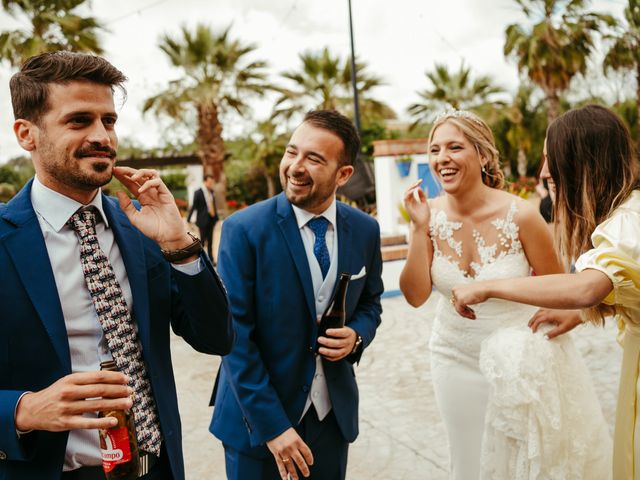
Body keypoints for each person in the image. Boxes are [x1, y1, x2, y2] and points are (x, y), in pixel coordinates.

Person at [0, 51, 233, 480]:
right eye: (78, 121)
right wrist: (22, 409)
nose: (102, 136)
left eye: (108, 121)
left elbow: (216, 338)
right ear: (26, 133)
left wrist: (179, 244)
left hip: (155, 467)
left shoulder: (140, 230)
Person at [400, 109, 611, 479]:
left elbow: (559, 285)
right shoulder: (426, 216)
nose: (441, 159)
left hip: (519, 361)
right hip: (452, 355)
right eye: (434, 150)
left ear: (482, 155)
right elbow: (415, 296)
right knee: (468, 459)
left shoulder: (521, 216)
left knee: (520, 464)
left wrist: (571, 320)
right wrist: (419, 229)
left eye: (454, 147)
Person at [452, 104, 640, 479]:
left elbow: (587, 285)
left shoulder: (627, 223)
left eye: (550, 163)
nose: (542, 173)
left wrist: (488, 287)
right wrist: (578, 313)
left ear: (582, 166)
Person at [209, 110, 383, 480]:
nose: (295, 167)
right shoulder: (243, 230)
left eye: (314, 159)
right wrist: (273, 427)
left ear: (344, 175)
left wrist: (357, 335)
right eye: (292, 152)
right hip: (255, 426)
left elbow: (371, 302)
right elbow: (234, 337)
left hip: (331, 419)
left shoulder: (366, 231)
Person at [187, 174, 218, 260]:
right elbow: (194, 206)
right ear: (205, 181)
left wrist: (216, 218)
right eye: (209, 182)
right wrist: (188, 218)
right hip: (202, 220)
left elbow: (214, 205)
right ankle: (202, 259)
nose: (211, 183)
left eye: (212, 182)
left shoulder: (212, 191)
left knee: (211, 241)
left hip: (211, 220)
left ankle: (211, 259)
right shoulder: (198, 192)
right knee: (203, 242)